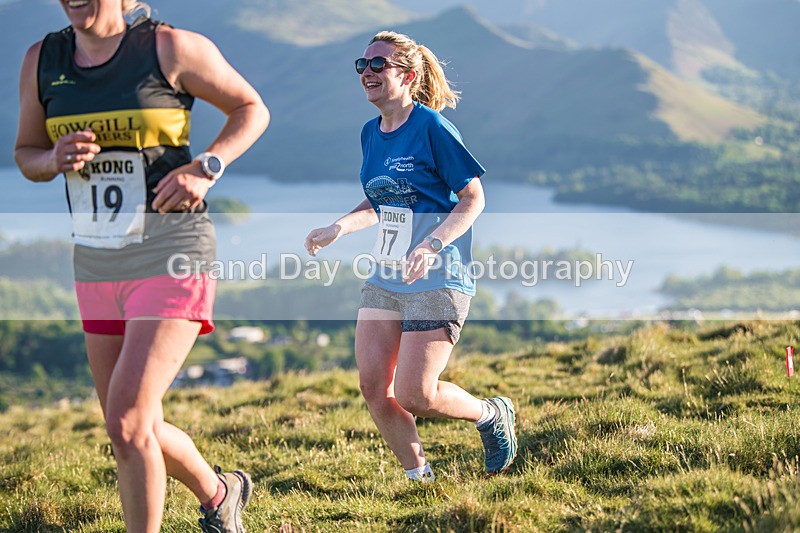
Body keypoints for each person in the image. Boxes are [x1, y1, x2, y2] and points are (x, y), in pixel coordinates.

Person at [14, 1, 269, 531]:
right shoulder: (43, 58)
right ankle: (220, 493)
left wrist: (207, 167)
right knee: (129, 424)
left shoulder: (168, 48)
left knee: (129, 423)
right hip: (97, 260)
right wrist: (52, 159)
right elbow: (26, 153)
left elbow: (250, 108)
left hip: (172, 250)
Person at [305, 31, 517, 483]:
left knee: (416, 394)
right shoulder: (370, 133)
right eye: (362, 65)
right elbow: (381, 202)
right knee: (372, 386)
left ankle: (490, 414)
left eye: (378, 65)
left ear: (409, 74)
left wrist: (433, 244)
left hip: (438, 276)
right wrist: (337, 227)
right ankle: (420, 481)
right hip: (387, 275)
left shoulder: (432, 127)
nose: (367, 73)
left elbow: (472, 198)